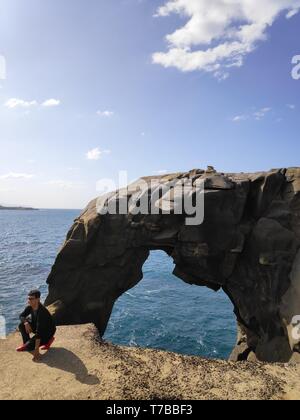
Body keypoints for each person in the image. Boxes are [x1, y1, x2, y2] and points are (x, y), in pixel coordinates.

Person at [17, 289, 56, 361]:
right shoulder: (30, 307)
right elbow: (21, 316)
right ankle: (26, 343)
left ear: (38, 299)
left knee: (29, 347)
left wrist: (36, 351)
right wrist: (26, 323)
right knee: (21, 325)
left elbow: (39, 333)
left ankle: (49, 340)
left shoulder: (42, 313)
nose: (29, 301)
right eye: (28, 298)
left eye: (31, 299)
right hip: (38, 328)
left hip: (47, 332)